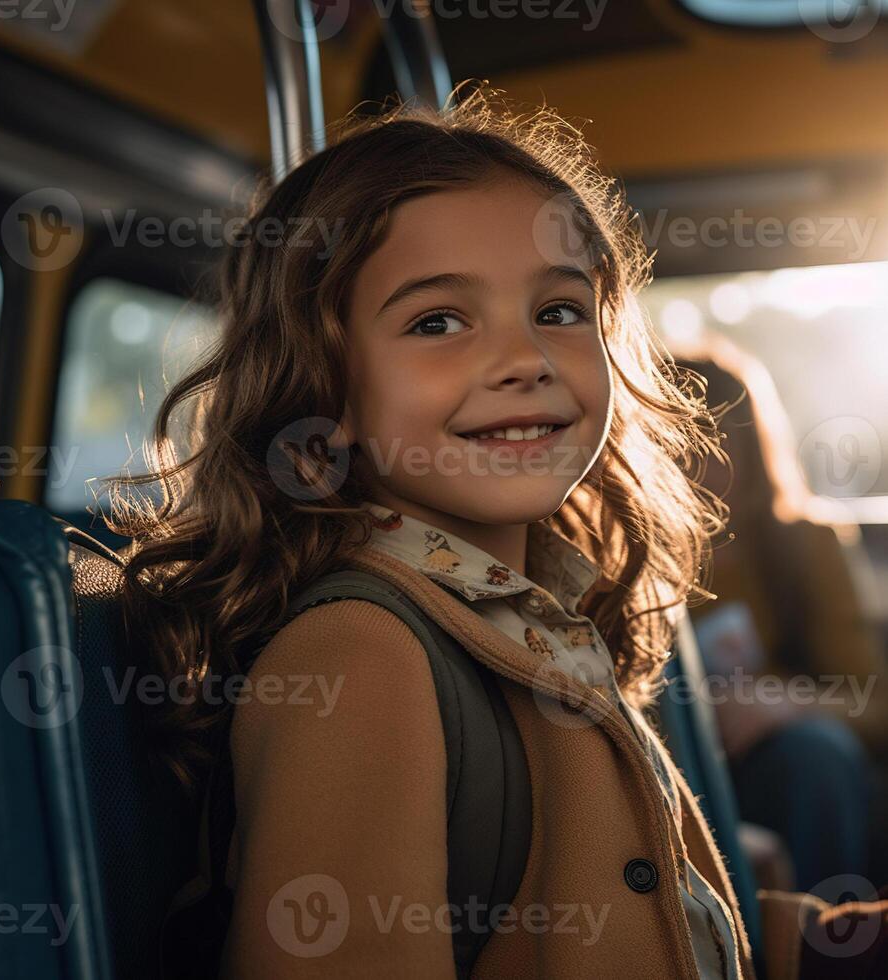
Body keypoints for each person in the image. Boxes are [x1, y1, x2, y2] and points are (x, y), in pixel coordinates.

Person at [106, 84, 888, 979]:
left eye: (558, 311)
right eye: (438, 322)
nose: (524, 359)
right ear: (324, 390)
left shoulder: (541, 612)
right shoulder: (361, 653)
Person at [672, 342, 888, 900]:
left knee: (814, 753)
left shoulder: (806, 543)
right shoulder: (619, 558)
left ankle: (822, 946)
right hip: (675, 767)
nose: (700, 458)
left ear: (749, 441)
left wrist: (781, 704)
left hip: (781, 763)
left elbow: (874, 704)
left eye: (717, 437)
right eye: (678, 438)